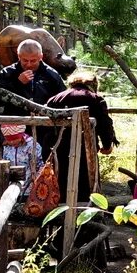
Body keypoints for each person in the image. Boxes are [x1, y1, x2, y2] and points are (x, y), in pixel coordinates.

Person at [45, 70, 118, 203]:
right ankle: (87, 212)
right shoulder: (95, 99)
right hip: (86, 149)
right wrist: (107, 145)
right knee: (86, 182)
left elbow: (44, 126)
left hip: (58, 150)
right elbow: (105, 124)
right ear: (93, 84)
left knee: (61, 180)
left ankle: (59, 211)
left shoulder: (55, 99)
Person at [0, 38, 67, 107]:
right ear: (19, 56)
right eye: (25, 60)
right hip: (15, 117)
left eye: (33, 61)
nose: (29, 64)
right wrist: (18, 83)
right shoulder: (8, 72)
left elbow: (63, 100)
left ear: (40, 57)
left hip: (43, 118)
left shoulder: (52, 75)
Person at [1, 123, 41, 193]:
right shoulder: (7, 147)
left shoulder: (31, 145)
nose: (12, 142)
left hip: (30, 186)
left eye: (14, 139)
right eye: (9, 140)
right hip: (11, 187)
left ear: (21, 136)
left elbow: (39, 166)